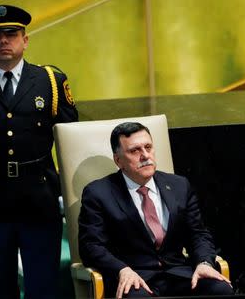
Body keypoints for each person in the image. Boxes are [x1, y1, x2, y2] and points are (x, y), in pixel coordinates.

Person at [0, 4, 78, 299]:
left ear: (25, 39)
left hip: (39, 200)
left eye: (11, 33)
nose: (4, 40)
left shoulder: (51, 82)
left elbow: (70, 138)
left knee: (43, 287)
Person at [78, 122, 234, 298]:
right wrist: (122, 269)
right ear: (118, 160)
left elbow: (198, 234)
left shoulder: (179, 185)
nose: (145, 156)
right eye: (134, 151)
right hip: (134, 278)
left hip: (179, 274)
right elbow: (91, 246)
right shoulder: (98, 193)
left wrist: (204, 262)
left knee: (220, 289)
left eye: (148, 147)